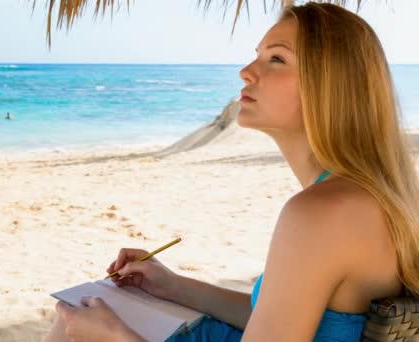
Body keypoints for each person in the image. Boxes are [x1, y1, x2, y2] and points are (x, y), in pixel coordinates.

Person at [44, 2, 419, 341]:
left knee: (74, 324)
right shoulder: (371, 194)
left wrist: (116, 338)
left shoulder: (320, 213)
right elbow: (280, 317)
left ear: (330, 87)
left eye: (276, 60)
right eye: (257, 55)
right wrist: (173, 285)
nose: (246, 72)